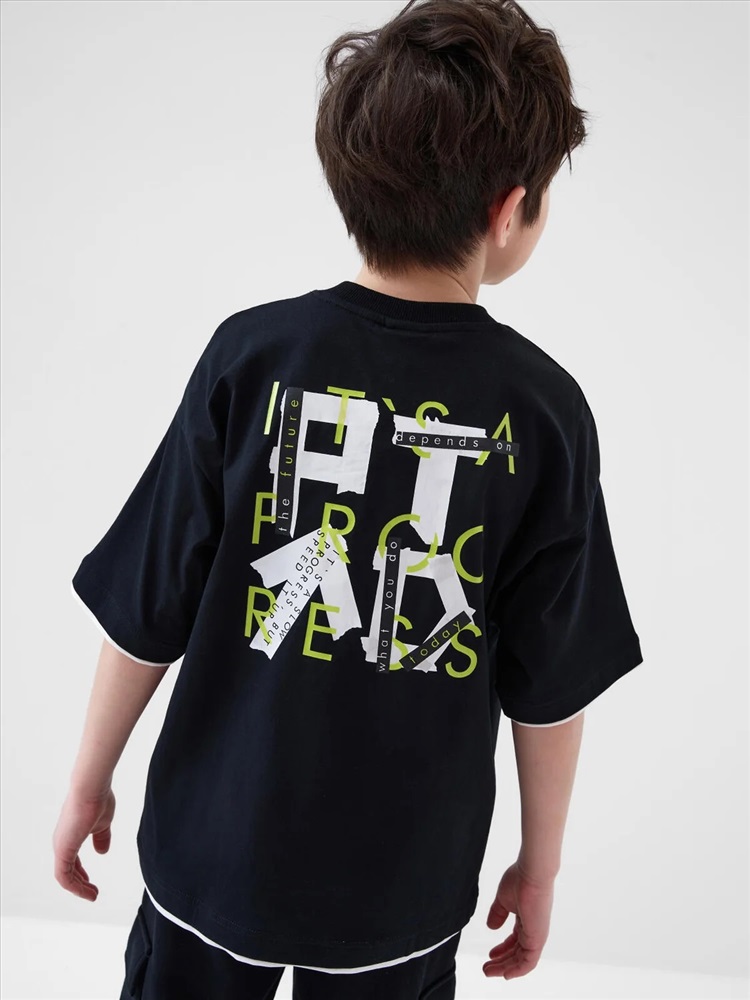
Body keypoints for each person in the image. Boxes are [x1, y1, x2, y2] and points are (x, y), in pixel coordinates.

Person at [52, 1, 644, 997]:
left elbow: (148, 608)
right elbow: (551, 685)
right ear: (511, 209)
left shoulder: (252, 357)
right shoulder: (543, 412)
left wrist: (85, 780)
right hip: (401, 888)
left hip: (212, 851)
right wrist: (539, 866)